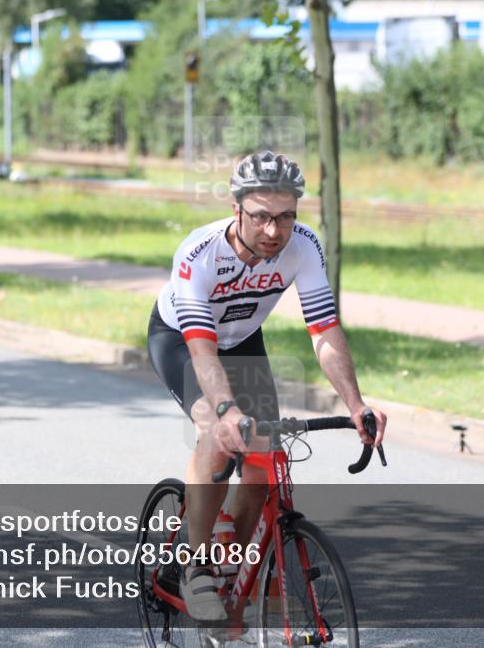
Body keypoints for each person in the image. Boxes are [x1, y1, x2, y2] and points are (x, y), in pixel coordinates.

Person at [147, 150, 388, 621]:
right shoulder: (200, 254)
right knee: (218, 434)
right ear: (236, 209)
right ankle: (197, 567)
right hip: (183, 340)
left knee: (262, 462)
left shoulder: (303, 245)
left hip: (241, 340)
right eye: (261, 217)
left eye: (285, 217)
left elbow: (324, 331)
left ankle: (232, 575)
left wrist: (356, 402)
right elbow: (202, 352)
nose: (274, 231)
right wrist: (225, 412)